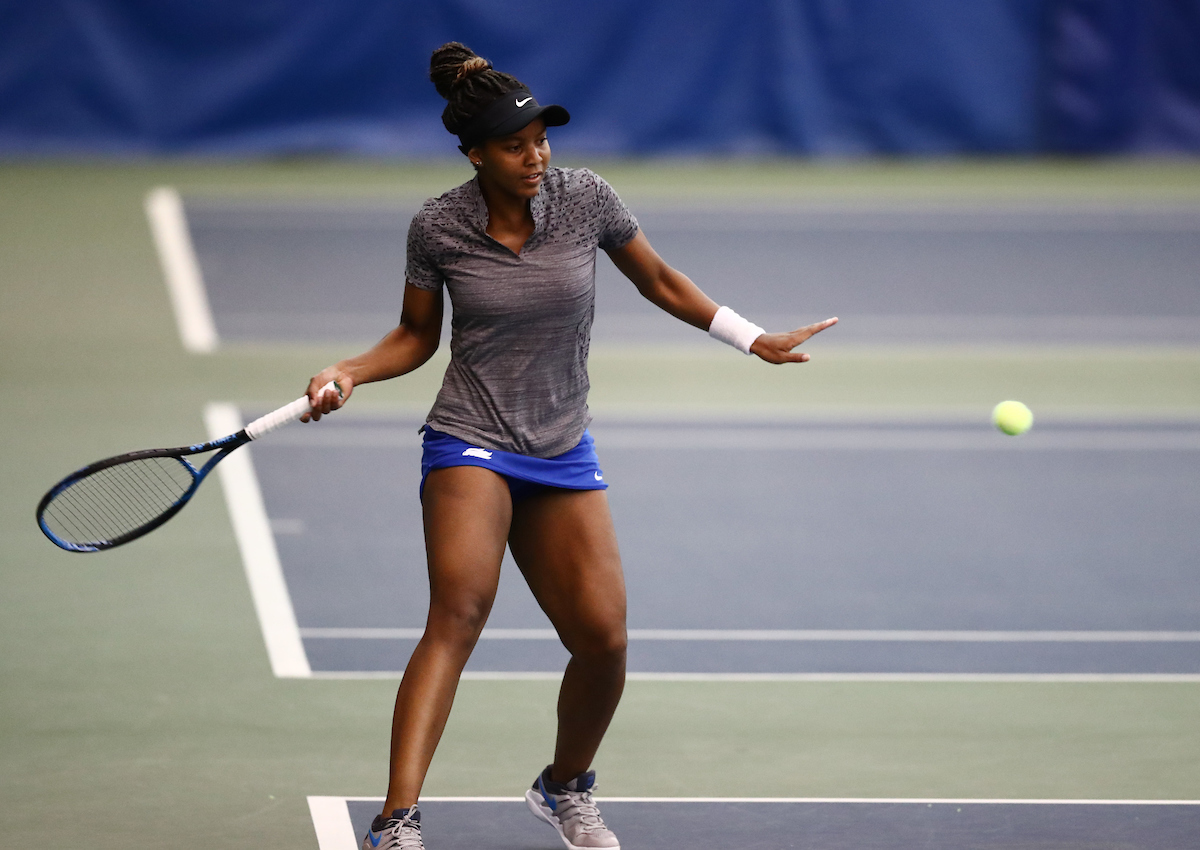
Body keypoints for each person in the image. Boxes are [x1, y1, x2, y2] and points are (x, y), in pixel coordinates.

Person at [302, 41, 837, 850]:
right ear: (475, 154)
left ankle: (564, 788)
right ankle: (395, 821)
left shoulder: (585, 198)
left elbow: (659, 280)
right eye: (515, 147)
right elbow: (415, 336)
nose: (535, 157)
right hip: (472, 438)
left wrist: (750, 336)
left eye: (542, 140)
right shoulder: (438, 225)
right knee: (458, 614)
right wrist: (348, 370)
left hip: (559, 447)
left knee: (604, 639)